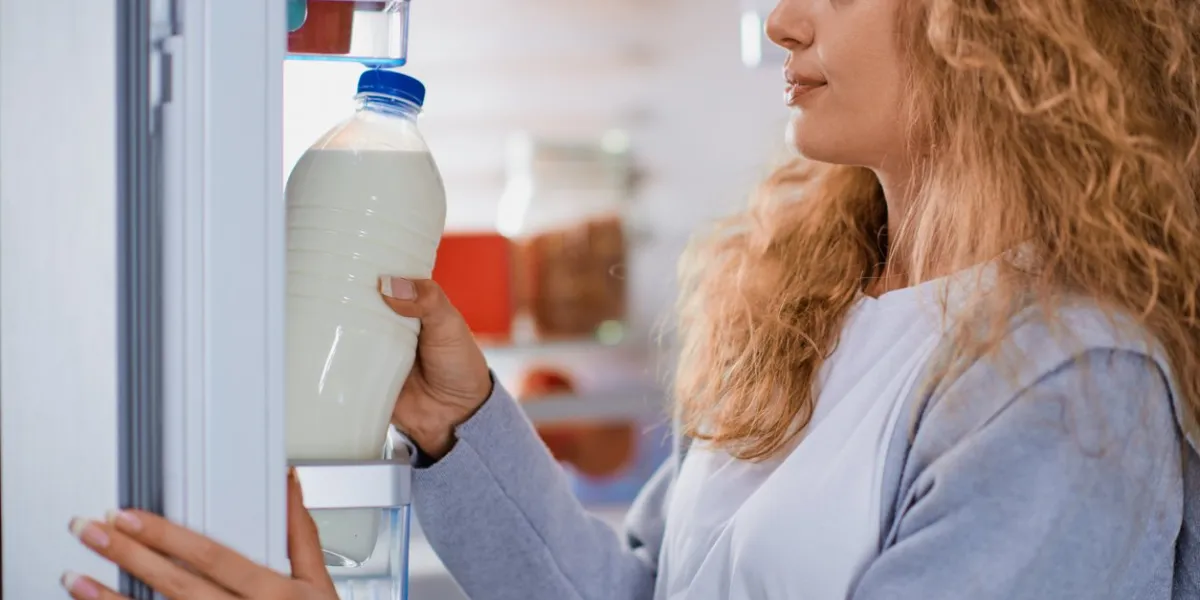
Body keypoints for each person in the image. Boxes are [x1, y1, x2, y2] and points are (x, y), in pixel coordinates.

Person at [61, 0, 1200, 598]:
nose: (783, 21)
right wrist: (460, 423)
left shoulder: (1072, 394)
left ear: (1008, 24)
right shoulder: (823, 303)